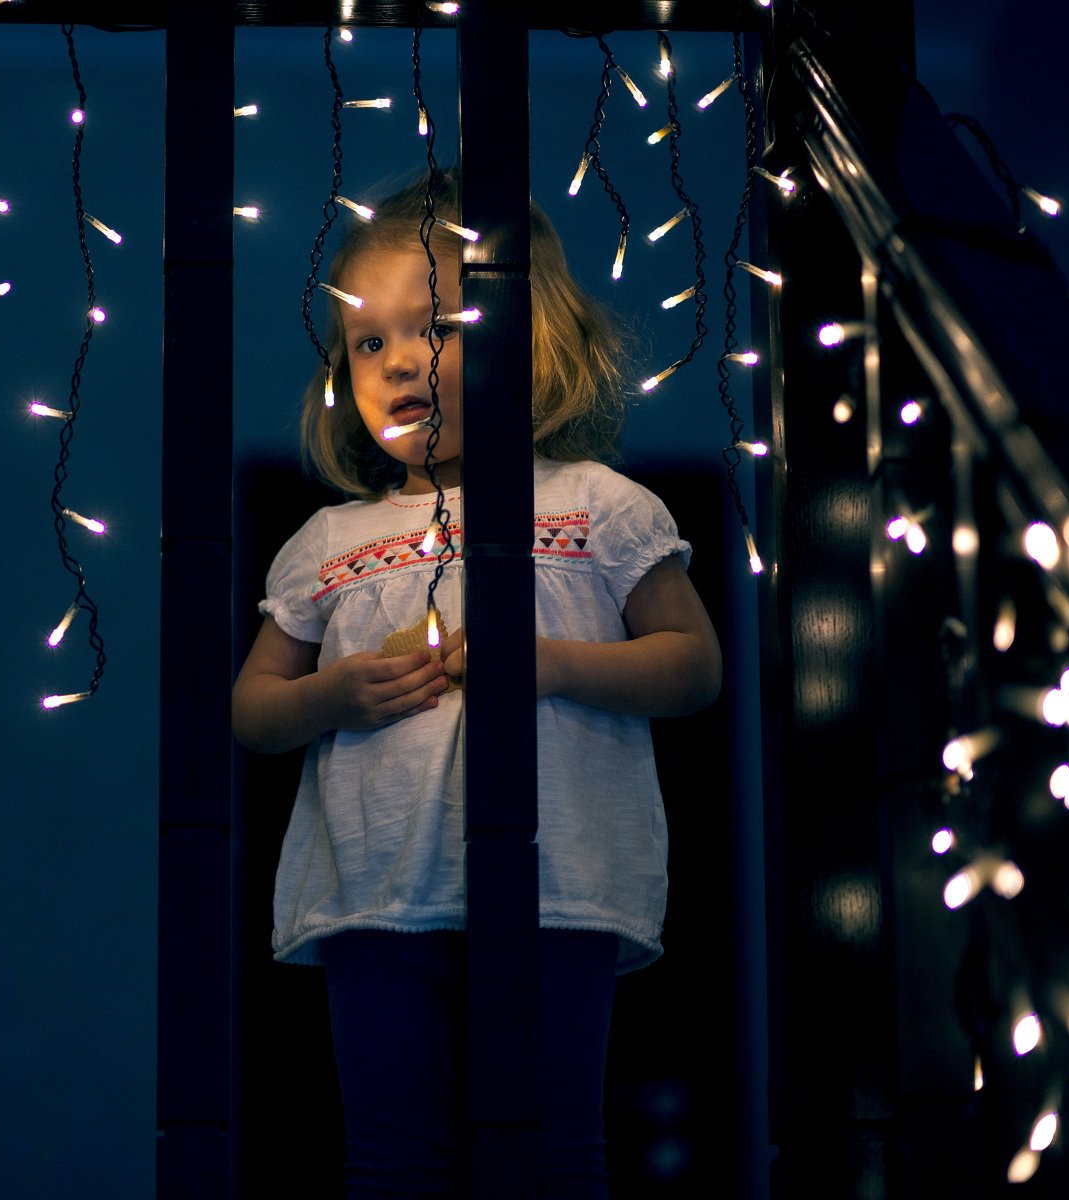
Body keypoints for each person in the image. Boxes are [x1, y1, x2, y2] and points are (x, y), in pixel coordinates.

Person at [230, 168, 723, 1199]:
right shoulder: (328, 540)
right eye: (370, 342)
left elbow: (692, 664)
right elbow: (255, 709)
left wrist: (550, 663)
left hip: (560, 890)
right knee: (392, 1163)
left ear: (533, 338)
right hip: (374, 898)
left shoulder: (597, 505)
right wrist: (332, 695)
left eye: (439, 326)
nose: (404, 361)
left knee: (552, 1156)